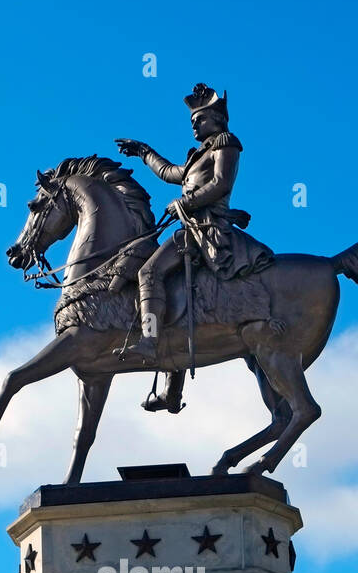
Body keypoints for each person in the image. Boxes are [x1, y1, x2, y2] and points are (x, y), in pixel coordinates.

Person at [115, 83, 272, 370]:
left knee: (149, 271)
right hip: (192, 228)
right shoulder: (197, 157)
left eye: (198, 119)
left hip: (208, 230)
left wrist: (184, 204)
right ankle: (171, 380)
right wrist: (143, 152)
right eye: (192, 121)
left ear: (217, 119)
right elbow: (169, 173)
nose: (194, 126)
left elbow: (221, 183)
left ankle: (150, 342)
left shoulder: (226, 142)